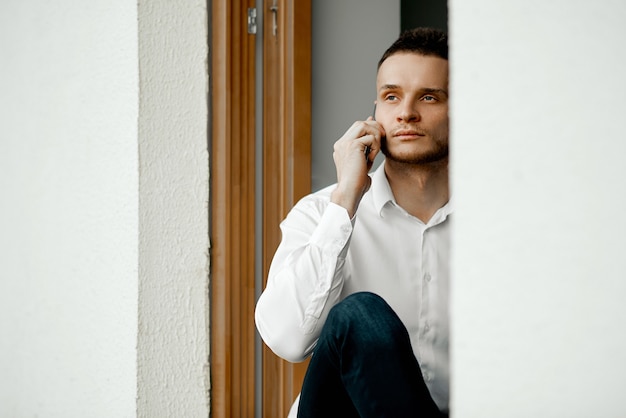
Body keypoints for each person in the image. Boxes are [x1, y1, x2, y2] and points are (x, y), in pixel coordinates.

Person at [255, 27, 451, 418]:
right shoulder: (318, 213)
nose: (406, 112)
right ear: (375, 113)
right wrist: (345, 198)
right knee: (358, 316)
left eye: (428, 97)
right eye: (391, 96)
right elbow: (288, 340)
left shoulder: (499, 229)